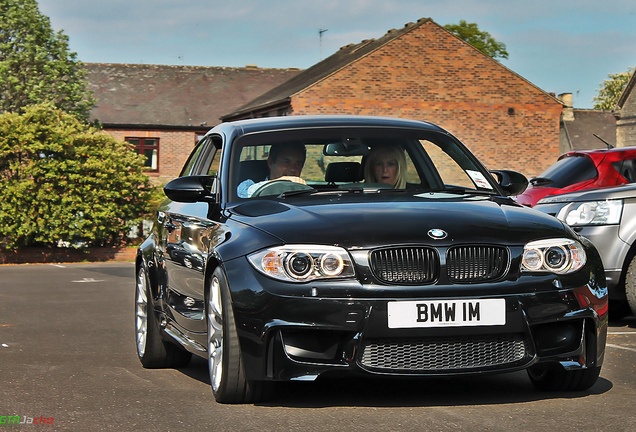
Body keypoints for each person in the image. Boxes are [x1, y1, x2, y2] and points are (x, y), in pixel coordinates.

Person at [237, 142, 307, 198]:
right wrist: (280, 182)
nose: (292, 169)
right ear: (270, 162)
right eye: (286, 162)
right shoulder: (249, 185)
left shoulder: (305, 193)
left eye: (298, 164)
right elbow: (243, 193)